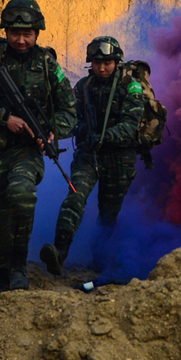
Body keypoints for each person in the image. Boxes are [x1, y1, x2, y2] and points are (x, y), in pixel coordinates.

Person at [0, 0, 76, 292]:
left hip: (28, 149)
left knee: (22, 194)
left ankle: (19, 267)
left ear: (37, 33)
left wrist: (51, 132)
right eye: (14, 33)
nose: (21, 40)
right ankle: (3, 274)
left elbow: (69, 112)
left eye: (27, 34)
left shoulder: (49, 66)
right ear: (6, 31)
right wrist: (2, 118)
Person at [40, 36, 144, 276]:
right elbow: (69, 118)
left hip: (119, 158)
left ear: (116, 61)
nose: (102, 67)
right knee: (74, 198)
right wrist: (54, 134)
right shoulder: (84, 86)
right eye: (97, 62)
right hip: (88, 155)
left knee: (108, 213)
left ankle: (100, 260)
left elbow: (131, 123)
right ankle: (59, 252)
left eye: (107, 61)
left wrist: (105, 136)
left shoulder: (130, 85)